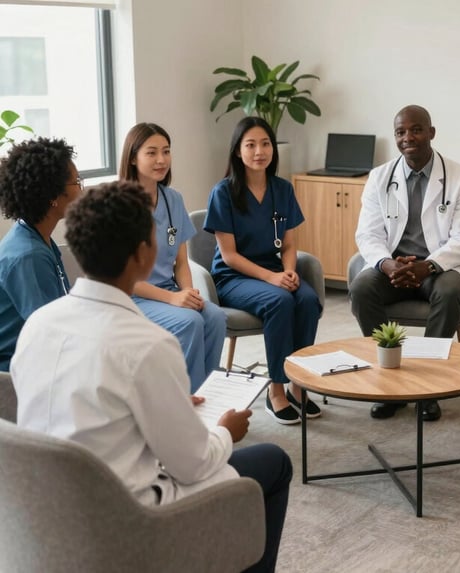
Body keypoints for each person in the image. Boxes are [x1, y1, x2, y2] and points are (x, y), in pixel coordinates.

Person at [11, 181, 292, 573]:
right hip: (134, 525)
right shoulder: (148, 344)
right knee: (275, 463)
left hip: (48, 519)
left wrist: (169, 403)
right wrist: (227, 430)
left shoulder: (38, 325)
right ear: (145, 253)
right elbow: (193, 466)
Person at [349, 105, 460, 422]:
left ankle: (427, 387)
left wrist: (429, 266)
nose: (408, 137)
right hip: (393, 267)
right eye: (400, 132)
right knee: (363, 287)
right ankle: (390, 381)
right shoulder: (380, 177)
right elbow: (367, 234)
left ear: (431, 132)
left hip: (440, 268)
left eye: (416, 129)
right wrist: (385, 264)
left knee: (449, 292)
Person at [205, 117, 321, 425]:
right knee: (279, 301)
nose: (260, 151)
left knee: (307, 300)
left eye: (266, 143)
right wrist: (272, 278)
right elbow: (228, 256)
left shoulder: (282, 189)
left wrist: (290, 271)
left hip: (274, 272)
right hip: (234, 278)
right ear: (237, 151)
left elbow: (290, 244)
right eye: (251, 144)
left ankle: (299, 384)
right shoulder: (224, 193)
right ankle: (276, 390)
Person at [119, 122, 226, 392]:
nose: (161, 160)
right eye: (152, 153)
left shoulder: (172, 199)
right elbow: (124, 278)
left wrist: (188, 293)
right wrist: (174, 299)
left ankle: (204, 394)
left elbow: (180, 262)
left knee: (213, 317)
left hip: (168, 291)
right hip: (132, 297)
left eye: (166, 151)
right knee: (189, 322)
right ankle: (187, 405)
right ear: (133, 157)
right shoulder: (118, 203)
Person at [0, 137, 81, 370]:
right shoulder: (28, 256)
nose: (81, 190)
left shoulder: (35, 236)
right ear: (53, 197)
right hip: (16, 373)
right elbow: (51, 334)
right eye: (76, 183)